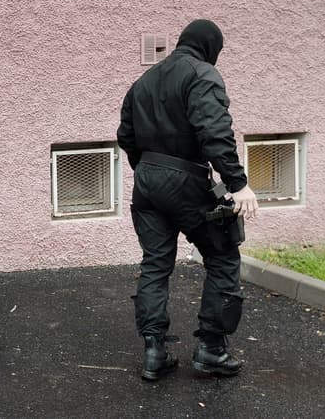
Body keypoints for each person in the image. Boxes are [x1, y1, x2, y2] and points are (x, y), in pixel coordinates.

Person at [117, 19, 259, 381]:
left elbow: (126, 135)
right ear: (211, 47)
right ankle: (212, 349)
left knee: (155, 264)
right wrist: (238, 183)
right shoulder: (203, 74)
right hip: (184, 178)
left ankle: (154, 352)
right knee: (223, 255)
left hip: (147, 180)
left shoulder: (143, 81)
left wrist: (149, 169)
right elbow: (214, 130)